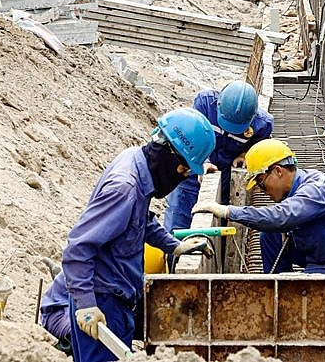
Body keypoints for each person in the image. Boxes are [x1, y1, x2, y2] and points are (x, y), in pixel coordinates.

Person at [62, 108, 216, 362]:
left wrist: (173, 246)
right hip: (102, 303)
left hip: (119, 299)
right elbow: (78, 248)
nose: (183, 176)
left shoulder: (136, 160)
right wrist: (86, 305)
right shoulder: (125, 188)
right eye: (184, 170)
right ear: (172, 158)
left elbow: (140, 221)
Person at [192, 139, 325, 274]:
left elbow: (281, 217)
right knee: (270, 234)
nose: (262, 190)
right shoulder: (303, 184)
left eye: (260, 182)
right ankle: (276, 287)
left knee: (304, 296)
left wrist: (228, 211)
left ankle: (289, 291)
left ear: (277, 171)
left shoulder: (316, 190)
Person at [164, 81, 273, 234]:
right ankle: (173, 255)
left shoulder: (262, 124)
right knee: (178, 224)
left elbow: (259, 145)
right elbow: (191, 138)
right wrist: (204, 162)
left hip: (225, 178)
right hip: (191, 171)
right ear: (218, 104)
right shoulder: (205, 104)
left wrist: (245, 154)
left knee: (216, 223)